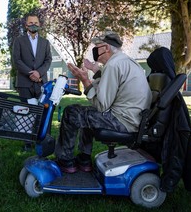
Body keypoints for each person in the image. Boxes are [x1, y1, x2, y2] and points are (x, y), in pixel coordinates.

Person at [54, 31, 152, 173]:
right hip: (133, 119)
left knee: (72, 112)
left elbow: (101, 106)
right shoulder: (125, 61)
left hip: (123, 122)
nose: (95, 50)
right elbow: (112, 84)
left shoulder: (113, 65)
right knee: (86, 114)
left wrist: (85, 80)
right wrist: (95, 69)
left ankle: (65, 161)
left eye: (97, 46)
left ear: (106, 48)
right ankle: (84, 159)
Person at [12, 14, 52, 151]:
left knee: (43, 111)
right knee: (25, 112)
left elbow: (48, 60)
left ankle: (42, 139)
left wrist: (38, 73)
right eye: (30, 22)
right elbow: (16, 60)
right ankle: (27, 143)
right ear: (26, 25)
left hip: (41, 82)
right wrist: (30, 73)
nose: (33, 24)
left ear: (39, 24)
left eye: (36, 22)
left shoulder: (45, 43)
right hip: (24, 82)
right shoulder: (19, 41)